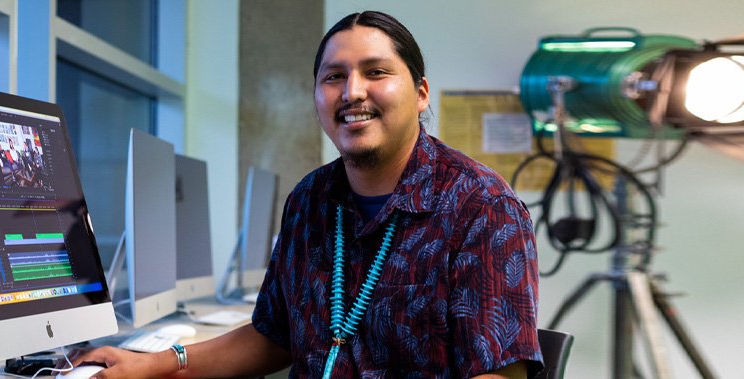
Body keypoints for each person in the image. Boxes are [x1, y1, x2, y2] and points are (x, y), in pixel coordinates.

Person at [58, 11, 542, 379]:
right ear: (316, 98)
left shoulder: (482, 209)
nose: (352, 92)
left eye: (376, 72)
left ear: (420, 93)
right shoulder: (310, 199)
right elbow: (274, 336)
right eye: (334, 77)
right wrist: (156, 364)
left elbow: (499, 373)